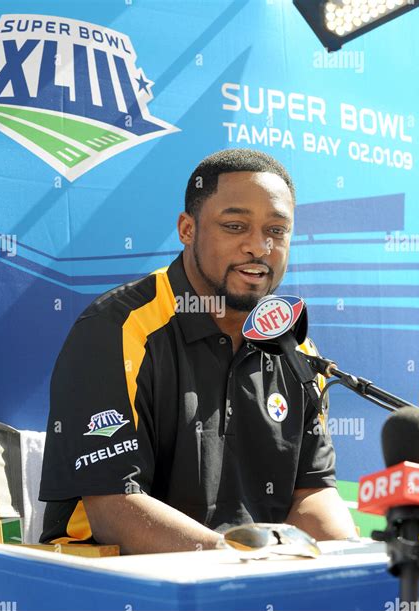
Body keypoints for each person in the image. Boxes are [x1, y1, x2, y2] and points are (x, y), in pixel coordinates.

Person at [39, 148, 357, 553]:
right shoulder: (116, 328)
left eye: (276, 231)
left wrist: (349, 562)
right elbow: (113, 507)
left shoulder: (297, 349)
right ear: (187, 229)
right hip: (123, 583)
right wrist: (237, 565)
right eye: (235, 225)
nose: (258, 247)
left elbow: (313, 494)